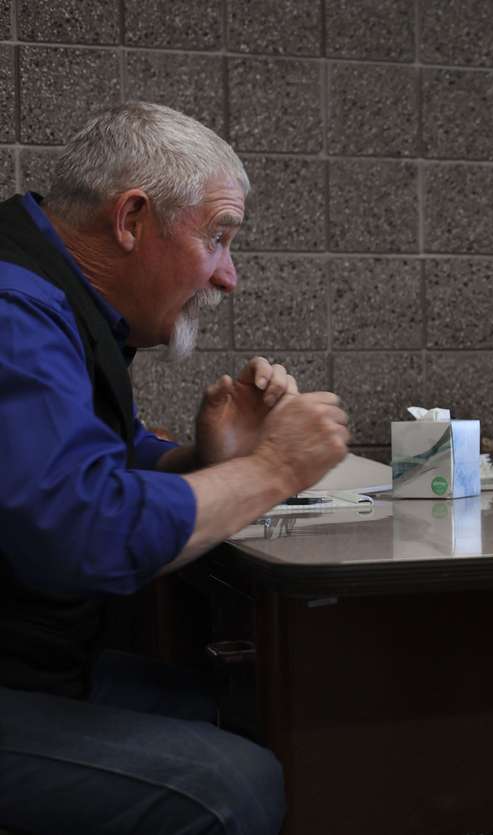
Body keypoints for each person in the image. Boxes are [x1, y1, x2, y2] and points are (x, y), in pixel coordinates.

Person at [0, 102, 351, 834]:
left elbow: (101, 454)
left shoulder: (56, 299)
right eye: (218, 238)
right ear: (132, 219)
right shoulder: (14, 310)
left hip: (34, 662)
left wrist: (203, 458)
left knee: (232, 707)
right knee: (232, 787)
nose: (229, 278)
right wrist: (273, 468)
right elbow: (82, 530)